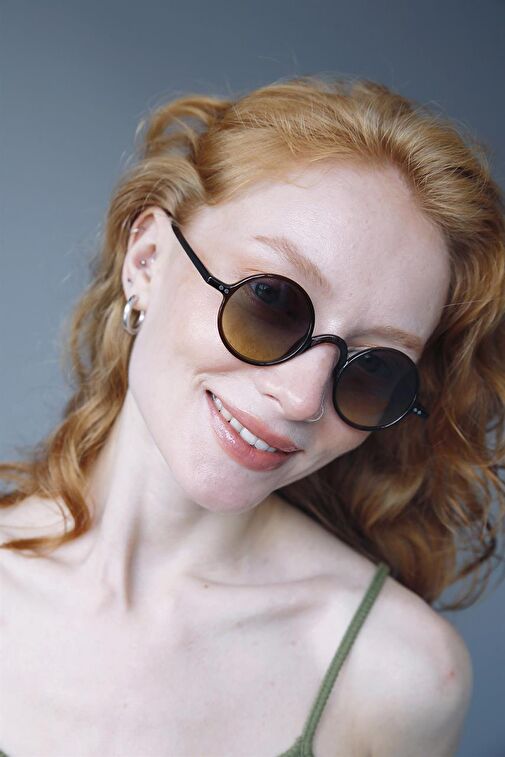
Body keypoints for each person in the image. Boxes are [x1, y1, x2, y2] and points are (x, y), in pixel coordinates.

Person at [0, 74, 503, 757]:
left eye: (374, 367)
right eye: (271, 301)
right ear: (146, 259)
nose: (302, 398)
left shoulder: (398, 676)